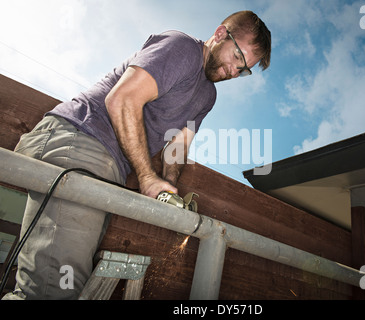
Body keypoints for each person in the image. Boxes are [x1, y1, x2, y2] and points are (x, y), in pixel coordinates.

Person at [4, 10, 271, 299]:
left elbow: (178, 145)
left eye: (245, 70)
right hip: (79, 142)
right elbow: (122, 99)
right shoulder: (181, 48)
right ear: (220, 34)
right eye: (237, 58)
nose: (235, 72)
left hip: (107, 168)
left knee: (65, 278)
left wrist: (169, 190)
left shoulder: (208, 96)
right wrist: (146, 178)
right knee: (53, 289)